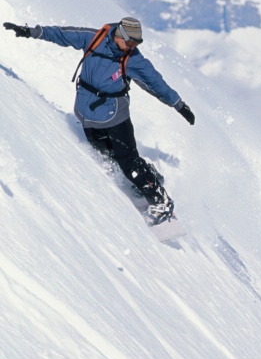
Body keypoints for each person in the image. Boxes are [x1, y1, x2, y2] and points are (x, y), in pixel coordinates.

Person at [3, 16, 194, 223]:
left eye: (137, 44)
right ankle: (146, 177)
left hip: (116, 115)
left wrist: (179, 104)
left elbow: (155, 82)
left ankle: (160, 201)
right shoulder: (94, 38)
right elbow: (62, 34)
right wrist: (31, 32)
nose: (132, 47)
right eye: (130, 42)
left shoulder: (133, 59)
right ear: (120, 34)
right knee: (106, 155)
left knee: (128, 160)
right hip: (87, 113)